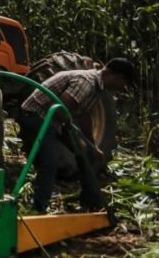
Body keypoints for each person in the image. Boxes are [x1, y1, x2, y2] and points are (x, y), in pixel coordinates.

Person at [18, 57, 136, 213]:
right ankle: (38, 208)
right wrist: (77, 138)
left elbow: (85, 116)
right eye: (124, 84)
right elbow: (60, 108)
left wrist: (92, 145)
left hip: (54, 120)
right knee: (49, 161)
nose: (122, 88)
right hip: (37, 117)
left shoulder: (97, 88)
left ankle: (90, 203)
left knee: (90, 154)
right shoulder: (86, 82)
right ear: (118, 77)